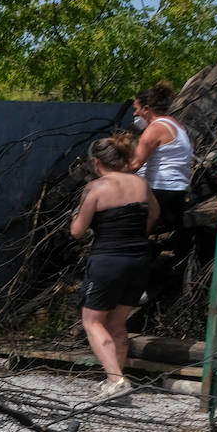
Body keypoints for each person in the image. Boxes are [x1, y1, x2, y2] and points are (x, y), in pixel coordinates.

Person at [72, 133, 160, 402]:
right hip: (138, 258)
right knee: (117, 322)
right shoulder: (140, 183)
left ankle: (116, 380)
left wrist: (76, 218)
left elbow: (77, 231)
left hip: (108, 261)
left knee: (92, 321)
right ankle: (115, 381)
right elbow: (154, 213)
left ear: (96, 162)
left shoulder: (95, 188)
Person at [126, 82, 193, 265]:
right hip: (177, 191)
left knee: (128, 230)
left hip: (160, 191)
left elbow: (135, 164)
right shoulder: (176, 125)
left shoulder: (154, 129)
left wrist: (110, 176)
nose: (135, 114)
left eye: (137, 109)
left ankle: (134, 265)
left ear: (147, 109)